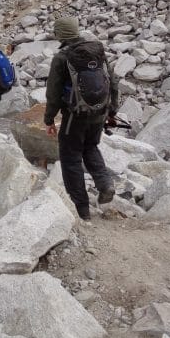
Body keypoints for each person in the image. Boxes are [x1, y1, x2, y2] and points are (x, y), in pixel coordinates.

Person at [43, 16, 118, 222]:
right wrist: (112, 111)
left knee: (70, 158)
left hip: (74, 117)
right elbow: (112, 80)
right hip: (99, 112)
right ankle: (105, 184)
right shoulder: (96, 51)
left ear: (60, 34)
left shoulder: (62, 58)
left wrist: (49, 119)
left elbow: (53, 92)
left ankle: (82, 210)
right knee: (91, 147)